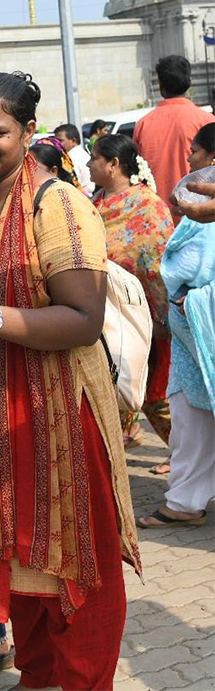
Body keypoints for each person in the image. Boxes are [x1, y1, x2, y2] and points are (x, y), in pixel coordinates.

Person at [0, 72, 141, 690]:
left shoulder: (56, 204)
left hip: (57, 413)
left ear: (28, 133)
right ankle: (37, 679)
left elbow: (83, 320)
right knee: (19, 561)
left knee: (79, 570)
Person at [89, 134, 174, 460]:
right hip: (107, 317)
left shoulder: (148, 206)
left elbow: (158, 264)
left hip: (147, 317)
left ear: (113, 164)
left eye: (95, 157)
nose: (88, 163)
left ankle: (190, 463)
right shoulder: (93, 203)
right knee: (118, 387)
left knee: (156, 396)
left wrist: (164, 316)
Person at [138, 196, 215, 529]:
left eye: (196, 151)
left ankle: (186, 500)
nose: (189, 156)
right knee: (189, 420)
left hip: (199, 327)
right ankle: (185, 500)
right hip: (189, 339)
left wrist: (195, 299)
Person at [133, 55, 214, 212]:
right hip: (199, 216)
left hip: (157, 216)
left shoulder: (143, 125)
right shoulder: (206, 121)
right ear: (189, 82)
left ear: (161, 86)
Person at [54, 122, 95, 196]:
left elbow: (71, 185)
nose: (56, 143)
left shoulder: (72, 158)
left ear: (73, 141)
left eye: (60, 140)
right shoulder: (82, 154)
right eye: (55, 140)